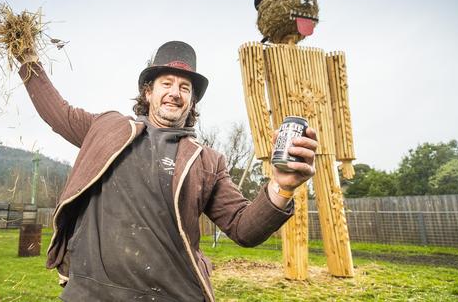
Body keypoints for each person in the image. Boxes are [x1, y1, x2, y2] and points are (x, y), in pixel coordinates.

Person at [18, 41, 318, 302]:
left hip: (173, 295)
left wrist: (282, 187)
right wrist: (28, 59)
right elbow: (58, 113)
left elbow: (244, 229)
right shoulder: (107, 129)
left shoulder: (207, 161)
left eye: (184, 87)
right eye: (167, 83)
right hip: (91, 294)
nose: (175, 92)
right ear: (147, 93)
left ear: (192, 101)